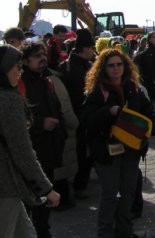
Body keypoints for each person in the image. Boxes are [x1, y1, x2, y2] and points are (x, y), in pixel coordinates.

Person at [81, 48, 152, 238]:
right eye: (111, 65)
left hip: (131, 149)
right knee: (110, 194)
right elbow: (87, 119)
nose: (116, 69)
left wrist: (145, 133)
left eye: (119, 64)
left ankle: (124, 231)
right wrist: (108, 112)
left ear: (125, 66)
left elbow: (148, 111)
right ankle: (105, 234)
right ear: (103, 68)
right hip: (107, 150)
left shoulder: (133, 87)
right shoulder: (98, 91)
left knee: (128, 192)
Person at [0, 45, 61, 238]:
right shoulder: (8, 100)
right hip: (6, 188)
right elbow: (22, 151)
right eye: (16, 66)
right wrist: (46, 188)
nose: (20, 71)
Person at [20, 41, 67, 238]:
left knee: (44, 203)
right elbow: (18, 119)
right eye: (37, 55)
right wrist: (41, 123)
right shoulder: (21, 83)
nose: (43, 58)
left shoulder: (46, 79)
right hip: (32, 150)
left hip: (49, 148)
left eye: (44, 54)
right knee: (32, 201)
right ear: (26, 60)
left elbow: (57, 107)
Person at [60, 28, 96, 199]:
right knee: (81, 153)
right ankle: (79, 185)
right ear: (85, 49)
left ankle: (79, 183)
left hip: (80, 114)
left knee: (80, 152)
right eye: (91, 48)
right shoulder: (74, 67)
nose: (93, 51)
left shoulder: (72, 65)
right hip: (78, 115)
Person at [133, 32, 155, 132]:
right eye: (153, 37)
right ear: (149, 40)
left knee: (154, 101)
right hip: (151, 81)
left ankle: (154, 120)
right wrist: (153, 79)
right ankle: (154, 121)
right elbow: (149, 67)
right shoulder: (148, 53)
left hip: (154, 80)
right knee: (153, 101)